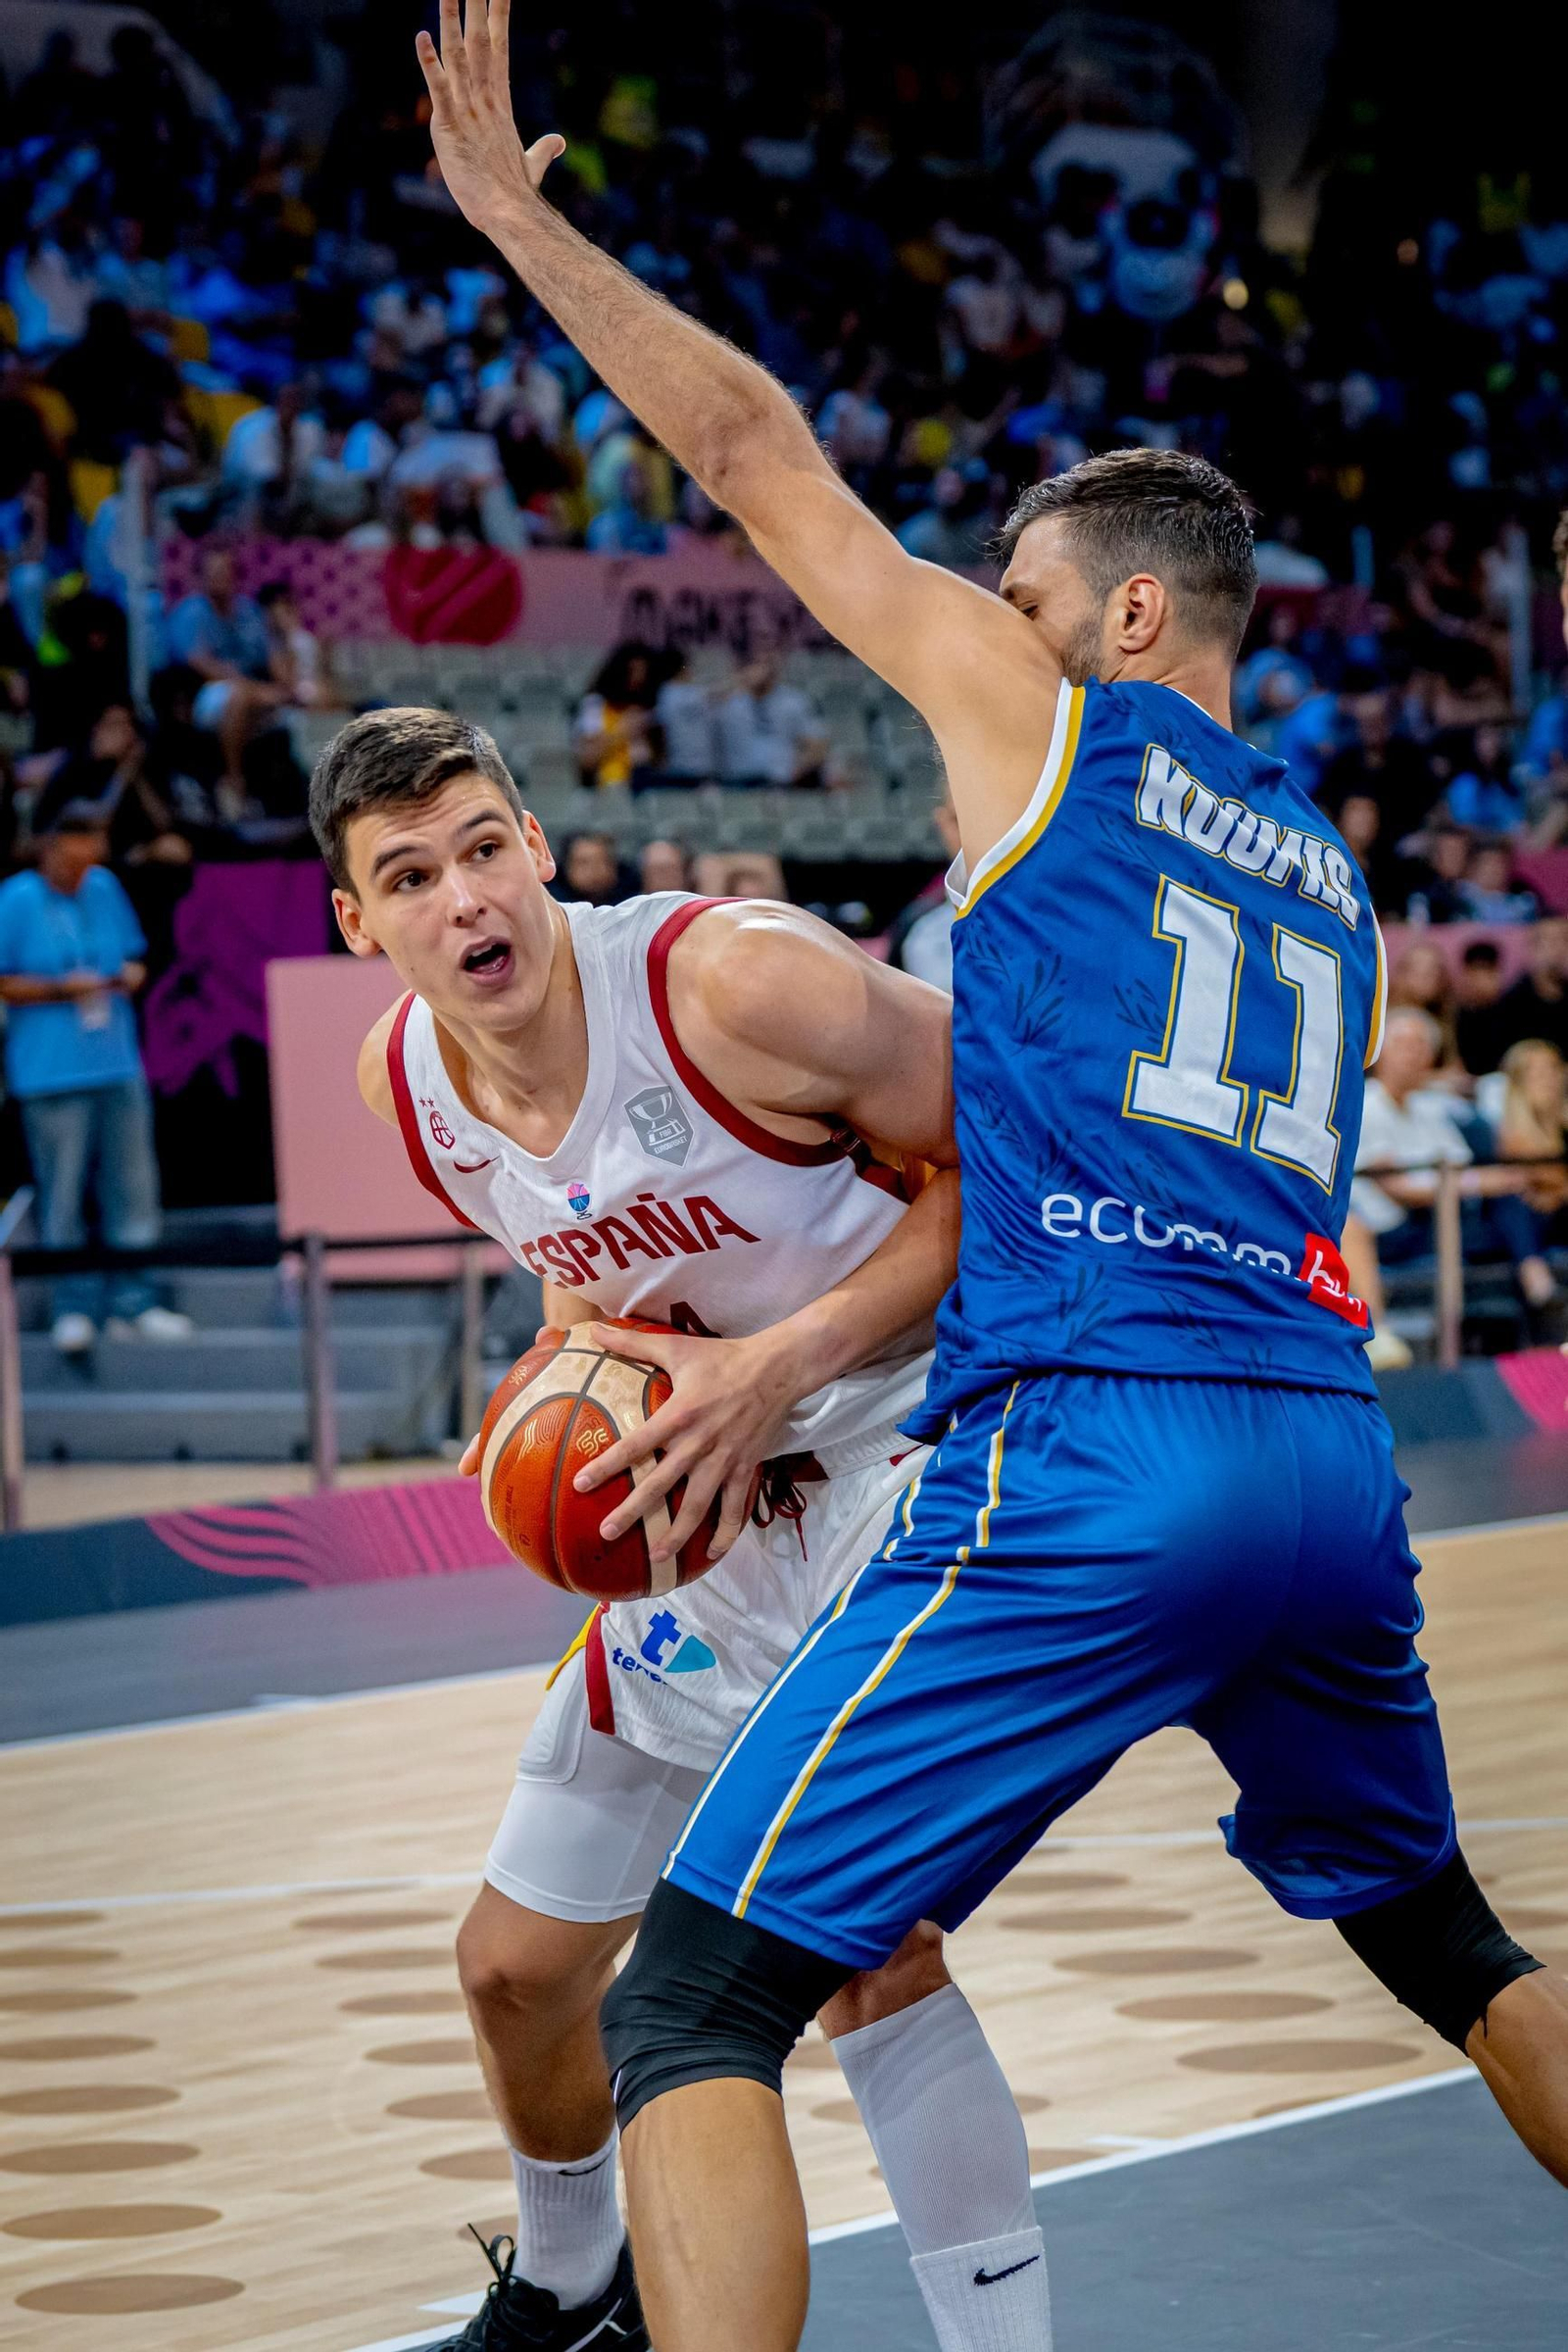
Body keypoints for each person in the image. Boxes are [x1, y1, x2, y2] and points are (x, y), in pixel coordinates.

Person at [416, 23, 1568, 2352]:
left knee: (698, 2002)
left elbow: (752, 459)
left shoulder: (1056, 718)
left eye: (1019, 596)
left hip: (1092, 1445)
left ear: (1121, 617)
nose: (984, 622)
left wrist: (523, 225)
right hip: (1327, 1457)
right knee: (1452, 1943)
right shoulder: (1332, 872)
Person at [309, 705, 1050, 2352]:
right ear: (359, 923)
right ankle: (577, 2294)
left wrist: (778, 1362)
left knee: (867, 1947)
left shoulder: (734, 981)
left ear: (539, 845)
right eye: (412, 878)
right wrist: (574, 1402)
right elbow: (591, 1265)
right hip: (722, 1499)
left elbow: (1020, 1163)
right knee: (512, 1968)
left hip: (907, 1450)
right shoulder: (408, 1087)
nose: (467, 901)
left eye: (486, 849)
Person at [0, 813, 190, 1353]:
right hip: (50, 1071)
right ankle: (73, 1308)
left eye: (92, 860)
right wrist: (61, 988)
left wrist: (129, 974)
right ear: (48, 849)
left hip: (116, 1063)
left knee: (133, 1189)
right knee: (64, 1197)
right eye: (74, 861)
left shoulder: (105, 888)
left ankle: (137, 1303)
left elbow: (133, 957)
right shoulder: (15, 900)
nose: (84, 871)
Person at [1342, 1007, 1562, 1346]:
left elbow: (1464, 1165)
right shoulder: (1368, 1106)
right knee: (1509, 1202)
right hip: (1393, 1231)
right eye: (1404, 1045)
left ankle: (1536, 1296)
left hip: (1443, 1218)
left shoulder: (1430, 1108)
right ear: (1382, 1051)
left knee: (1516, 1205)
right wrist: (1483, 1183)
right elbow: (1400, 1189)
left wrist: (1485, 1182)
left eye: (1422, 1047)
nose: (1414, 1055)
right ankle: (1534, 1277)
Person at [165, 544, 284, 803]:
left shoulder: (249, 612)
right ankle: (234, 780)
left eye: (226, 571)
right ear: (201, 576)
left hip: (255, 688)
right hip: (204, 695)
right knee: (239, 697)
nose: (221, 577)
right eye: (214, 572)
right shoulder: (190, 613)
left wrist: (289, 685)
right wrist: (256, 689)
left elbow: (271, 656)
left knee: (307, 695)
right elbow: (198, 663)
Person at [714, 656, 831, 789]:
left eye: (760, 664)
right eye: (751, 665)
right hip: (738, 782)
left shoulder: (794, 702)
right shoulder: (730, 704)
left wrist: (797, 772)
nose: (755, 671)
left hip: (780, 782)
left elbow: (817, 744)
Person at [572, 643, 659, 789]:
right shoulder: (595, 705)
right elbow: (588, 759)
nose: (638, 679)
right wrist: (622, 731)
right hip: (607, 788)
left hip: (645, 787)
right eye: (633, 671)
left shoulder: (649, 710)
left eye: (643, 672)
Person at [1454, 938, 1513, 1077]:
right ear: (1465, 974)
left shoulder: (1514, 1011)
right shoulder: (1454, 1013)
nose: (1480, 979)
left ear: (1498, 973)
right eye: (1474, 971)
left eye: (1487, 971)